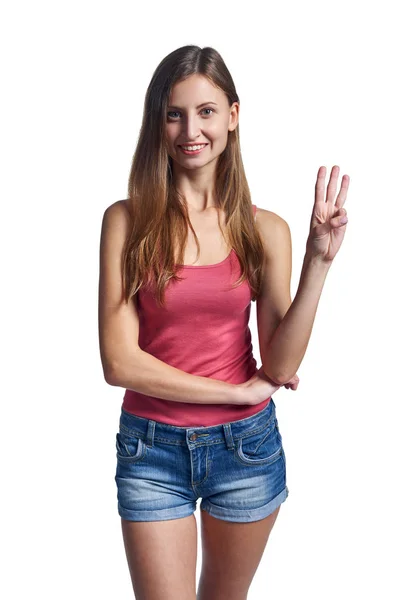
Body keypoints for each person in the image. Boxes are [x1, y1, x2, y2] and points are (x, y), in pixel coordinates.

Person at [98, 45, 350, 600]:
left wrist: (318, 262)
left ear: (233, 117)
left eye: (207, 111)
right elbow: (120, 363)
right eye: (174, 113)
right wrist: (233, 392)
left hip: (245, 450)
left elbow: (280, 363)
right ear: (157, 122)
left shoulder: (267, 231)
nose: (192, 128)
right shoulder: (127, 221)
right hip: (151, 449)